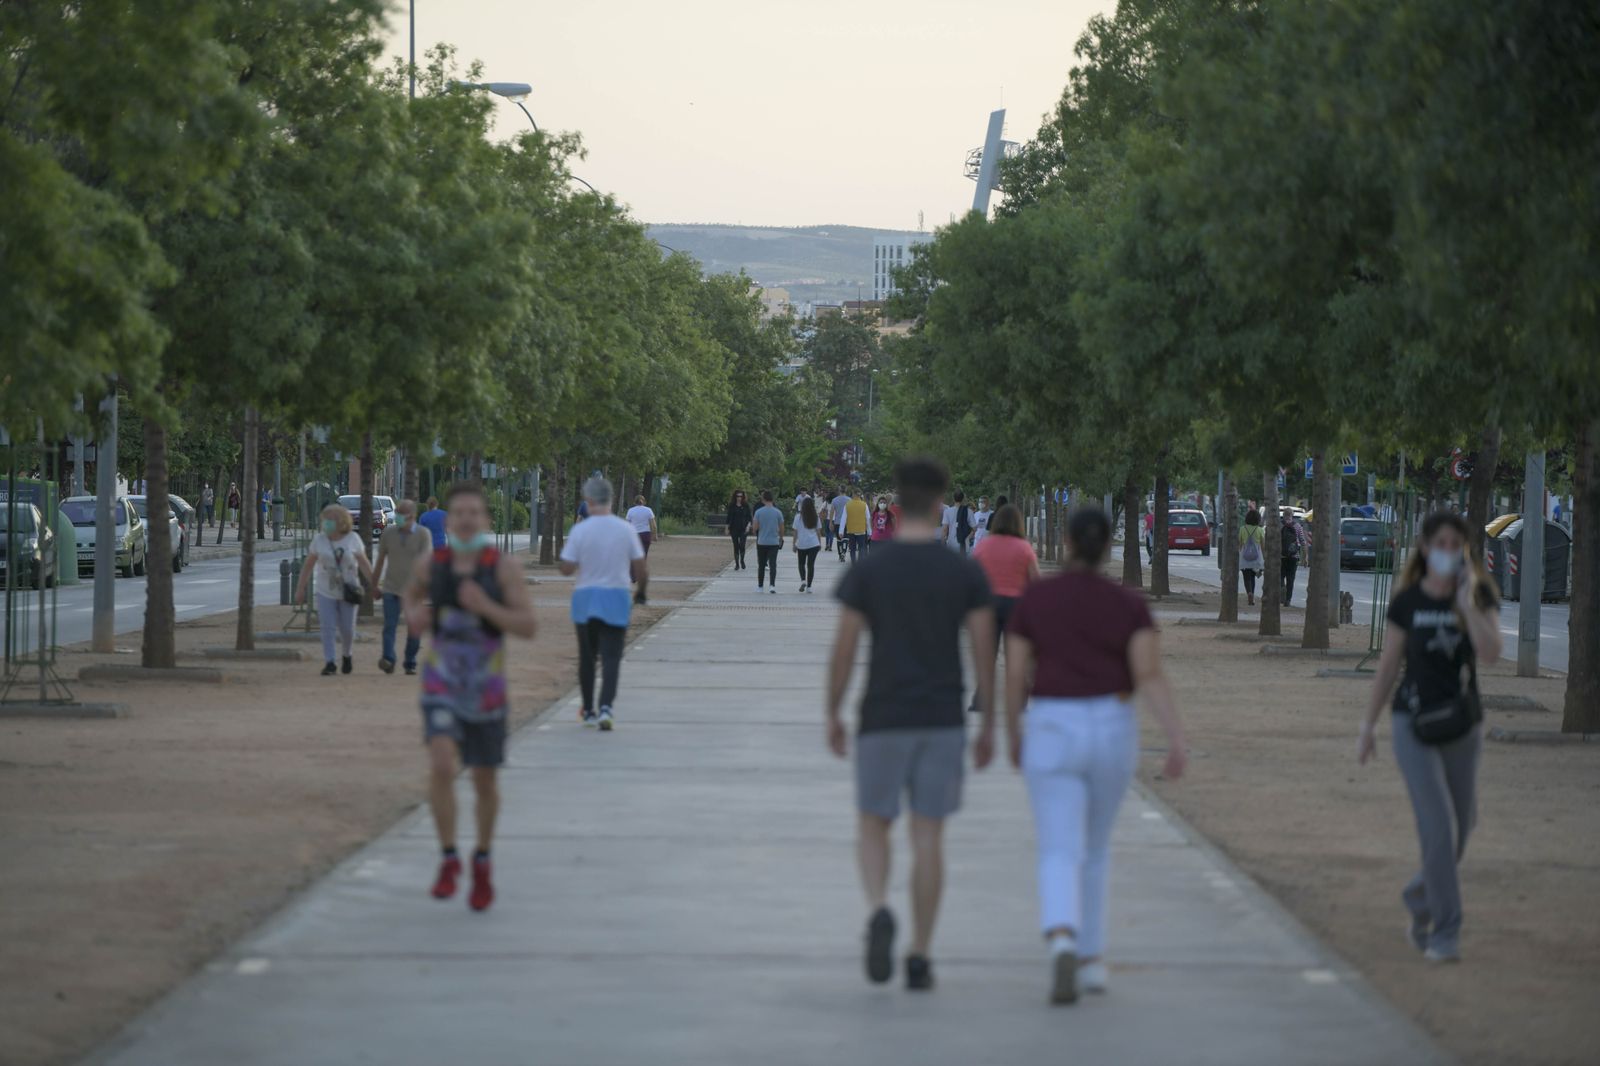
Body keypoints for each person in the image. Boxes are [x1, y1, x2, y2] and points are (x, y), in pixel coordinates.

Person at [826, 456, 997, 993]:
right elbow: (982, 645)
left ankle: (879, 907)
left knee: (874, 822)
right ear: (942, 500)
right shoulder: (963, 571)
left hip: (882, 714)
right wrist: (989, 717)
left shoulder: (871, 569)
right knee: (929, 835)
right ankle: (920, 953)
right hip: (942, 717)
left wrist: (832, 709)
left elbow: (846, 646)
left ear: (896, 502)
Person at [1004, 507, 1187, 1005]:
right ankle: (1091, 960)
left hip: (1051, 722)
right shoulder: (1128, 605)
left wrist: (1012, 731)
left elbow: (1016, 671)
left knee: (1058, 844)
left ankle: (1061, 935)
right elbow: (1148, 673)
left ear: (1065, 542)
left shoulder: (1036, 600)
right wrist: (1175, 738)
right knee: (1096, 847)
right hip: (1110, 724)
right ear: (1108, 546)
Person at [1357, 512, 1501, 964]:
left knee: (1460, 831)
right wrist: (1368, 726)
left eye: (1455, 543)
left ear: (1465, 549)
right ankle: (1446, 932)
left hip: (1462, 723)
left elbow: (1491, 653)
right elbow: (1387, 668)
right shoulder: (1406, 602)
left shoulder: (1477, 594)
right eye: (1440, 542)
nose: (1447, 550)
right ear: (1424, 548)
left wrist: (1466, 604)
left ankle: (1419, 899)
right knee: (1437, 827)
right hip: (1412, 724)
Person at [403, 481, 538, 912]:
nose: (464, 519)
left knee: (484, 778)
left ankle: (481, 859)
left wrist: (485, 607)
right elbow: (410, 595)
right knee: (442, 764)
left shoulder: (502, 568)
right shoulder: (433, 564)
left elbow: (528, 626)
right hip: (440, 682)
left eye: (472, 513)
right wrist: (413, 616)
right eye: (457, 512)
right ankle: (448, 859)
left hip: (486, 689)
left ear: (484, 520)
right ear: (449, 518)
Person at [560, 477, 648, 729]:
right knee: (611, 657)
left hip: (585, 598)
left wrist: (569, 563)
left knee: (587, 658)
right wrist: (640, 592)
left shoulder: (580, 530)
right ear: (611, 499)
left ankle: (588, 710)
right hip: (616, 598)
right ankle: (606, 708)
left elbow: (566, 568)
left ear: (588, 501)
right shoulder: (625, 529)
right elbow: (640, 567)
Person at [970, 504, 1039, 713]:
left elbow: (972, 576)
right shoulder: (1024, 547)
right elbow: (1035, 580)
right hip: (1016, 607)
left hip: (988, 605)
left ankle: (981, 700)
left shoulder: (983, 546)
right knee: (1016, 656)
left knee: (987, 655)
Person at [293, 504, 375, 676]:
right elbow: (308, 565)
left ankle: (347, 655)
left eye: (330, 520)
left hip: (349, 589)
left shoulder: (353, 539)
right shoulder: (319, 540)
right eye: (325, 520)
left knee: (347, 628)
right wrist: (301, 588)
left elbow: (364, 563)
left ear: (341, 521)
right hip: (325, 590)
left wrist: (374, 584)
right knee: (327, 626)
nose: (326, 523)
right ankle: (330, 661)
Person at [372, 499, 430, 675]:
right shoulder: (388, 533)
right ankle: (388, 659)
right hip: (391, 587)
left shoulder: (423, 534)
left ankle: (410, 661)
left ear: (412, 516)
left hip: (414, 591)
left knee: (414, 629)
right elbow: (381, 560)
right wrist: (374, 585)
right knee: (389, 626)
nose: (397, 517)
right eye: (397, 513)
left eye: (401, 514)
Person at [751, 491, 785, 593]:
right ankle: (772, 585)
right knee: (773, 564)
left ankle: (760, 586)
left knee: (761, 565)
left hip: (762, 541)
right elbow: (782, 527)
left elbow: (755, 528)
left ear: (763, 499)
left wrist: (755, 529)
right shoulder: (778, 512)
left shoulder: (758, 512)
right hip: (774, 542)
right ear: (772, 499)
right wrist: (781, 538)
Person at [793, 496, 822, 592]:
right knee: (811, 565)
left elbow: (795, 532)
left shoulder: (798, 517)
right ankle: (809, 587)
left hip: (801, 544)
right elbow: (818, 532)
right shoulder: (816, 517)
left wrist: (794, 544)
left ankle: (803, 580)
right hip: (813, 544)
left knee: (801, 563)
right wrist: (820, 543)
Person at [1239, 508, 1265, 607]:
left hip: (1245, 557)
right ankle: (1252, 596)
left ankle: (1249, 593)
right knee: (1253, 577)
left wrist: (1240, 553)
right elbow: (1263, 545)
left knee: (1246, 577)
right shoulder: (1260, 530)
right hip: (1256, 557)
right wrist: (1264, 558)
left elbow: (1240, 544)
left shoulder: (1242, 529)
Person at [1280, 509, 1306, 606]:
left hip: (1281, 556)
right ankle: (1288, 600)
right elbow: (1303, 542)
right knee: (1291, 579)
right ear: (1292, 515)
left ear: (1283, 515)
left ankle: (1282, 588)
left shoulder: (1280, 525)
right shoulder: (1298, 526)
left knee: (1280, 576)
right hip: (1294, 556)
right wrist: (1305, 557)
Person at [726, 490, 752, 570]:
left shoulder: (746, 505)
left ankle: (742, 560)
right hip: (734, 528)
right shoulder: (732, 506)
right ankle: (737, 564)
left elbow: (749, 518)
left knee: (742, 545)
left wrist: (748, 526)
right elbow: (728, 517)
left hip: (743, 528)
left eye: (741, 496)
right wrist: (726, 528)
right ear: (735, 497)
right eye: (737, 496)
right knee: (736, 545)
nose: (739, 498)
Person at [844, 489, 870, 562]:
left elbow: (843, 518)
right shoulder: (864, 505)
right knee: (861, 548)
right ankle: (859, 563)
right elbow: (868, 519)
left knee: (852, 548)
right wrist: (869, 531)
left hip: (850, 530)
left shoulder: (847, 504)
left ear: (853, 494)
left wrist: (841, 530)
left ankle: (853, 563)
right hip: (861, 530)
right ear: (860, 495)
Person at [832, 487, 852, 560]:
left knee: (839, 539)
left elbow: (832, 512)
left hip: (837, 522)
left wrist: (831, 522)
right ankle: (844, 551)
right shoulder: (849, 500)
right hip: (847, 522)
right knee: (846, 538)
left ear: (839, 490)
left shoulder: (834, 500)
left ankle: (840, 554)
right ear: (846, 490)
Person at [954, 491, 972, 555]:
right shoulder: (968, 511)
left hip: (951, 543)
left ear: (954, 499)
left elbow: (945, 529)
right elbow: (974, 528)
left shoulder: (947, 511)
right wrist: (968, 538)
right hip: (963, 543)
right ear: (963, 499)